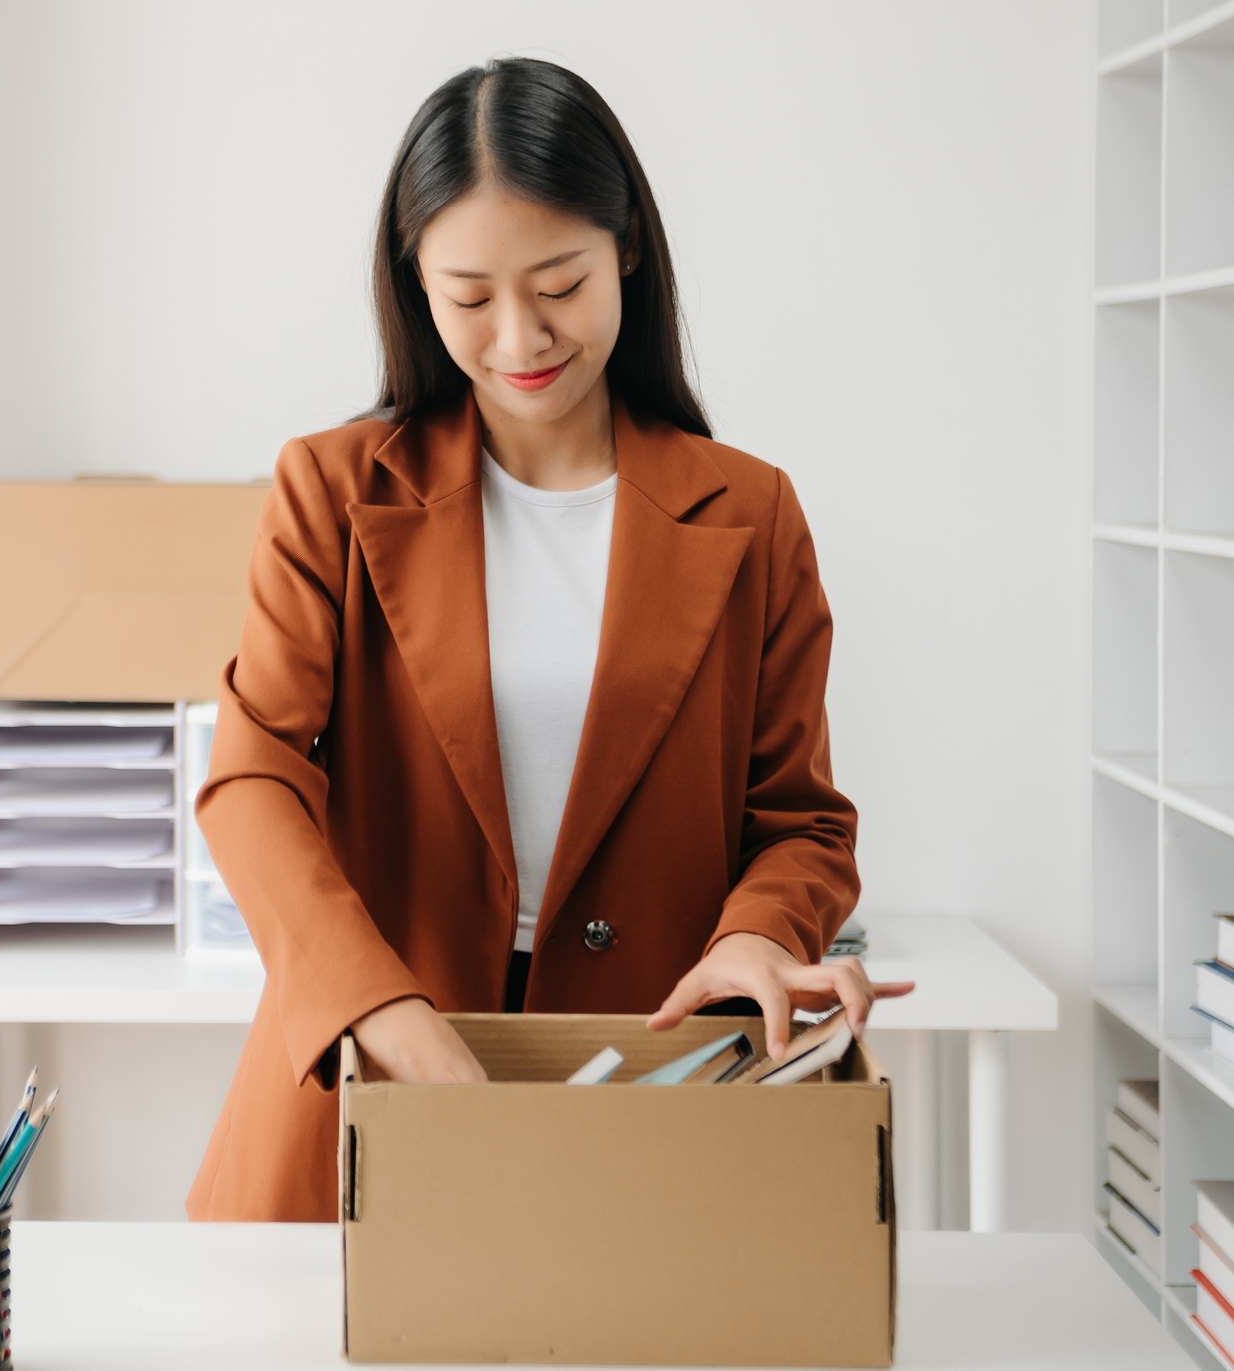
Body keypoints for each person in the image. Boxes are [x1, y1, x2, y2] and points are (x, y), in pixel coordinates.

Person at [185, 58, 913, 1223]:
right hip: (372, 1081)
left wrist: (755, 938)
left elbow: (799, 823)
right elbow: (251, 777)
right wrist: (373, 1005)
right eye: (467, 297)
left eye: (558, 283)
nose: (518, 335)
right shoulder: (328, 488)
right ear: (414, 286)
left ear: (624, 245)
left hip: (643, 1089)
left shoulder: (747, 512)